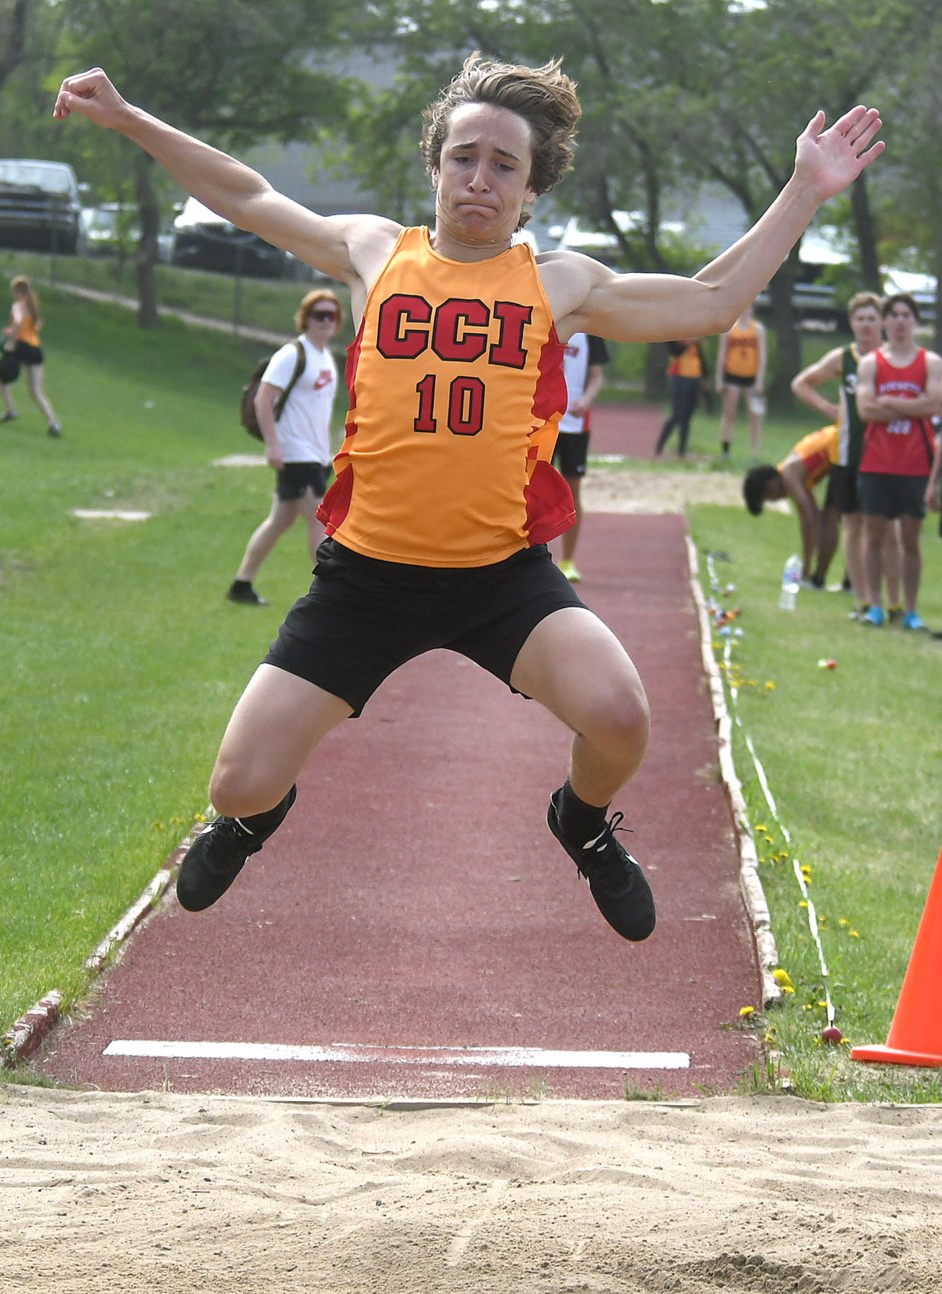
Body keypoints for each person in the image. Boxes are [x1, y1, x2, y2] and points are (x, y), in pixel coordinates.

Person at [54, 57, 882, 939]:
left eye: (503, 166)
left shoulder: (560, 283)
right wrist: (133, 118)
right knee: (236, 782)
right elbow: (248, 195)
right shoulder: (375, 251)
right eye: (463, 157)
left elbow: (713, 301)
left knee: (621, 720)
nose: (478, 179)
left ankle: (582, 823)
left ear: (531, 190)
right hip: (366, 578)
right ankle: (255, 820)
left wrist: (804, 188)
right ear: (435, 165)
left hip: (499, 577)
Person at [790, 290, 902, 619]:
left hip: (884, 456)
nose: (866, 325)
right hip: (846, 454)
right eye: (860, 319)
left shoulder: (890, 358)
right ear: (852, 323)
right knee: (852, 525)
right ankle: (862, 598)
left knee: (885, 528)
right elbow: (802, 383)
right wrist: (828, 407)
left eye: (871, 318)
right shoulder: (844, 357)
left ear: (882, 322)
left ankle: (891, 599)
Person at [227, 289, 341, 606]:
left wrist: (328, 447)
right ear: (305, 318)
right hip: (295, 453)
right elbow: (264, 398)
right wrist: (273, 445)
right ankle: (330, 598)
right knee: (320, 521)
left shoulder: (326, 358)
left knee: (281, 520)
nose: (325, 322)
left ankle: (241, 584)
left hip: (316, 454)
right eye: (319, 315)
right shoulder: (292, 354)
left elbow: (319, 408)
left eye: (331, 316)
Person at [855, 293, 942, 630]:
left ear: (915, 320)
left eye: (907, 314)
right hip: (877, 460)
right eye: (894, 315)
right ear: (885, 321)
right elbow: (866, 410)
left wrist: (889, 400)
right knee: (873, 534)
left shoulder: (930, 363)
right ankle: (875, 606)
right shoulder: (872, 363)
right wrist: (910, 402)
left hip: (915, 460)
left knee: (910, 539)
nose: (901, 321)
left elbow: (933, 406)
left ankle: (910, 610)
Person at [743, 424, 840, 586]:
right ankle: (824, 579)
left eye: (768, 497)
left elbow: (807, 521)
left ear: (771, 484)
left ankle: (821, 578)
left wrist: (805, 567)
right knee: (831, 518)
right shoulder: (797, 472)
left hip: (840, 450)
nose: (775, 500)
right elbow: (814, 518)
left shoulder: (789, 475)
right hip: (838, 448)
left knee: (832, 519)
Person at [554, 331, 607, 581]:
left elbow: (597, 377)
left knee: (572, 487)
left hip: (574, 422)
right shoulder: (550, 316)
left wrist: (585, 400)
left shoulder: (592, 333)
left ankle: (567, 560)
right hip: (542, 418)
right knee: (528, 486)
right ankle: (524, 557)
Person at [0, 275, 62, 437]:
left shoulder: (18, 305)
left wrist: (10, 341)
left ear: (17, 291)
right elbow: (33, 327)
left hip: (20, 347)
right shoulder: (32, 306)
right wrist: (14, 331)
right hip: (35, 350)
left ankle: (11, 410)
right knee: (36, 391)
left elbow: (17, 323)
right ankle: (54, 423)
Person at [715, 304, 767, 456]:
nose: (745, 311)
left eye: (748, 307)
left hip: (751, 377)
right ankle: (725, 449)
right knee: (729, 413)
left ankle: (755, 452)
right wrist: (719, 378)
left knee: (754, 416)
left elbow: (762, 357)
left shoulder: (758, 330)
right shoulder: (730, 330)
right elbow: (722, 354)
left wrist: (759, 380)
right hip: (733, 376)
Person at [655, 338, 707, 457]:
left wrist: (705, 377)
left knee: (687, 417)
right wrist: (688, 342)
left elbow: (700, 357)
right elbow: (675, 352)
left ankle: (682, 451)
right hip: (679, 376)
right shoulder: (675, 333)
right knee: (677, 414)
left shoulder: (695, 333)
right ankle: (659, 446)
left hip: (694, 376)